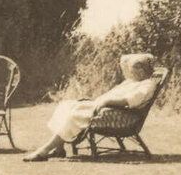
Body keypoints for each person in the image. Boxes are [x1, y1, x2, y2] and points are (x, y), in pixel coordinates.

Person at [21, 53, 165, 161]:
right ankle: (59, 148)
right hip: (102, 107)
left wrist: (107, 102)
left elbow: (131, 100)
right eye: (132, 69)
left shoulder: (147, 84)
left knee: (73, 115)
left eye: (135, 69)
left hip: (117, 113)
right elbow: (124, 60)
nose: (131, 72)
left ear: (143, 71)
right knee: (65, 105)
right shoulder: (132, 81)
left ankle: (44, 150)